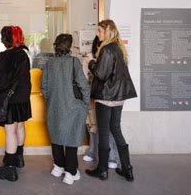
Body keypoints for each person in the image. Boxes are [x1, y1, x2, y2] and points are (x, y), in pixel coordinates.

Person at [85, 20, 137, 182]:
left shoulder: (107, 49)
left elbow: (101, 75)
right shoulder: (119, 48)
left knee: (104, 133)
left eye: (99, 31)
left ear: (107, 32)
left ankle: (102, 170)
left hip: (106, 98)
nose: (97, 34)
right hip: (119, 98)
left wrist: (90, 62)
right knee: (116, 130)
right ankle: (127, 168)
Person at [41, 34, 90, 185]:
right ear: (69, 46)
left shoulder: (49, 63)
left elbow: (44, 87)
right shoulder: (74, 62)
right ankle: (70, 173)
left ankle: (58, 167)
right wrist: (85, 103)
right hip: (72, 107)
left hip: (54, 106)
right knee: (71, 139)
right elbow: (83, 85)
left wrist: (52, 101)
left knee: (56, 136)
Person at [0, 26, 32, 182]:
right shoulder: (25, 54)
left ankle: (10, 168)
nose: (0, 39)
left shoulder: (5, 56)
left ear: (7, 39)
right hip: (23, 98)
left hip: (10, 100)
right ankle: (19, 158)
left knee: (10, 131)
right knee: (19, 127)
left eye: (2, 37)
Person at [83, 35, 121, 170]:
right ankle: (93, 152)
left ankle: (112, 157)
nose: (100, 48)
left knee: (107, 128)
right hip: (92, 95)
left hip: (106, 97)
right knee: (92, 125)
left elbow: (106, 77)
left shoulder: (111, 56)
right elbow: (85, 77)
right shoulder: (90, 58)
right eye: (98, 46)